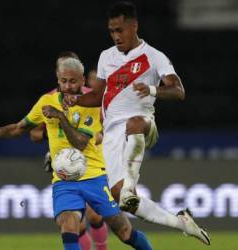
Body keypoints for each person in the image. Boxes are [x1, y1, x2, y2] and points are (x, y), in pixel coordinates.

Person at [0, 57, 153, 250]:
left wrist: (60, 116)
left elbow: (80, 143)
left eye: (72, 81)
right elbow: (19, 128)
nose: (68, 86)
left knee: (124, 232)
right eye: (63, 81)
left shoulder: (93, 103)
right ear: (58, 80)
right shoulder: (47, 100)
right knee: (68, 227)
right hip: (64, 181)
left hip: (94, 176)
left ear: (82, 80)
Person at [64, 1, 211, 245]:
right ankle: (181, 222)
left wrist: (153, 89)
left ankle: (131, 185)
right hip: (112, 136)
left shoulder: (154, 56)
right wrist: (76, 100)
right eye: (111, 31)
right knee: (120, 198)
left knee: (134, 123)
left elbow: (178, 90)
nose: (115, 36)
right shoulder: (106, 57)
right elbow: (97, 96)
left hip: (143, 127)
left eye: (120, 30)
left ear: (134, 26)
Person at [30, 51, 108, 250]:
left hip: (92, 160)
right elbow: (34, 134)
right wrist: (54, 135)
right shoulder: (49, 99)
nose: (67, 83)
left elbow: (105, 127)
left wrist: (100, 137)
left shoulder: (90, 98)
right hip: (67, 162)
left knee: (94, 215)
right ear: (58, 73)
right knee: (74, 223)